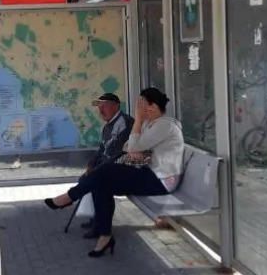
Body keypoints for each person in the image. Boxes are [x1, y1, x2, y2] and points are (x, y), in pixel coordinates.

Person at [44, 87, 183, 258]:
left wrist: (138, 121)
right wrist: (136, 147)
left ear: (152, 107)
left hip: (161, 181)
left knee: (103, 173)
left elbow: (132, 146)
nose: (137, 109)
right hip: (148, 172)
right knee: (101, 182)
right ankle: (104, 236)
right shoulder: (152, 125)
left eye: (140, 105)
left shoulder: (164, 125)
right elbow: (128, 147)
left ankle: (69, 198)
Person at [77, 93, 134, 237]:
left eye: (105, 106)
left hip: (125, 169)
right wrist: (92, 164)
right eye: (99, 107)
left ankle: (101, 227)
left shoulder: (125, 123)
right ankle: (95, 218)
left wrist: (99, 169)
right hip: (110, 167)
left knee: (99, 184)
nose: (101, 110)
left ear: (116, 106)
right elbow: (102, 149)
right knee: (85, 180)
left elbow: (119, 152)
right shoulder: (109, 125)